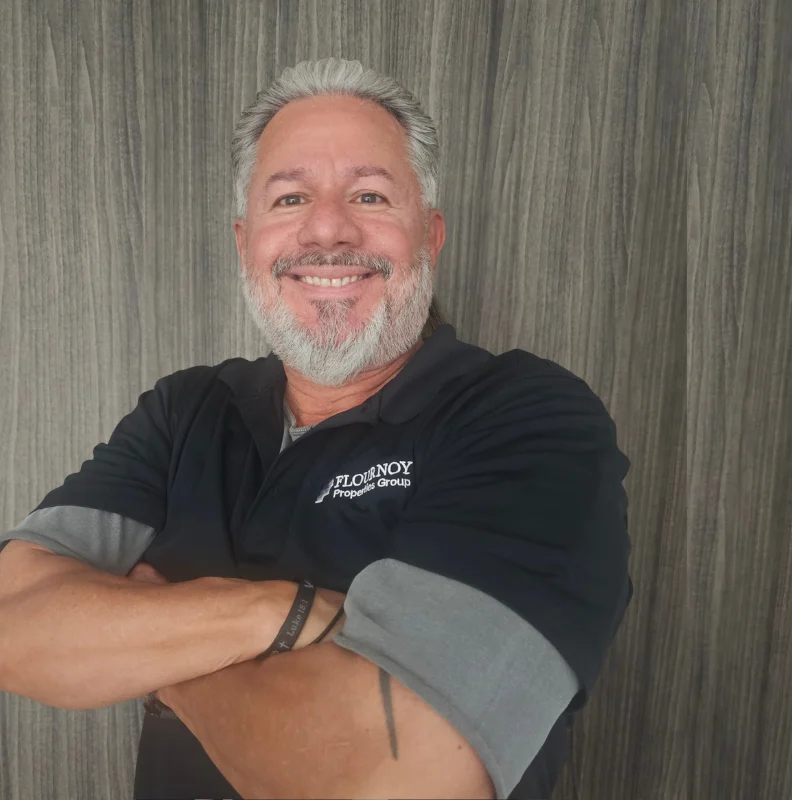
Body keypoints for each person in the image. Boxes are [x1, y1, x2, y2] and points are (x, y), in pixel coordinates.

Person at [0, 57, 633, 799]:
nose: (327, 229)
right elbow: (14, 623)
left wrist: (162, 658)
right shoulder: (186, 410)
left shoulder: (527, 417)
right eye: (291, 197)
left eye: (368, 194)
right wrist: (279, 611)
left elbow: (398, 778)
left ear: (429, 235)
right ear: (246, 241)